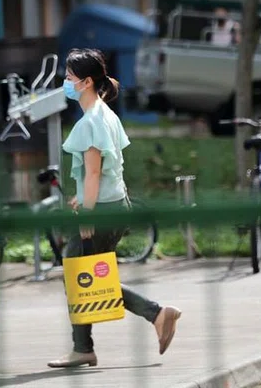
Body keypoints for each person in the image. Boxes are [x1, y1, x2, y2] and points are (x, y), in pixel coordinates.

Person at [47, 49, 181, 369]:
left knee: (79, 275)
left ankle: (154, 314)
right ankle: (86, 346)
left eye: (69, 77)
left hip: (101, 213)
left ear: (86, 82)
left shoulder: (91, 121)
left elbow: (94, 172)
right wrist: (83, 197)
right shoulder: (107, 114)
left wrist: (88, 211)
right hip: (115, 205)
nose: (65, 82)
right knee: (88, 276)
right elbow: (109, 170)